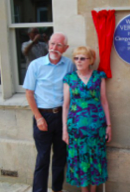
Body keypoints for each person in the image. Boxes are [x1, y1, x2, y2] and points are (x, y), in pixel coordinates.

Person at [23, 32, 75, 192]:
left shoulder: (69, 65)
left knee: (60, 155)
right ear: (48, 44)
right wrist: (38, 117)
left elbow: (73, 90)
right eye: (52, 44)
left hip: (62, 116)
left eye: (59, 45)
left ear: (65, 48)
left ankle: (57, 188)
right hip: (42, 115)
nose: (54, 48)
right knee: (43, 157)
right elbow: (29, 93)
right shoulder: (35, 65)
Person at [62, 46, 112, 192]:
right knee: (80, 159)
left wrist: (109, 126)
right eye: (76, 58)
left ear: (90, 60)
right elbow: (65, 105)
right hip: (76, 129)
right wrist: (64, 129)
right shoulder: (69, 78)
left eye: (82, 58)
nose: (79, 61)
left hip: (97, 127)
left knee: (96, 157)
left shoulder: (98, 76)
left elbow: (104, 101)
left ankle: (94, 190)